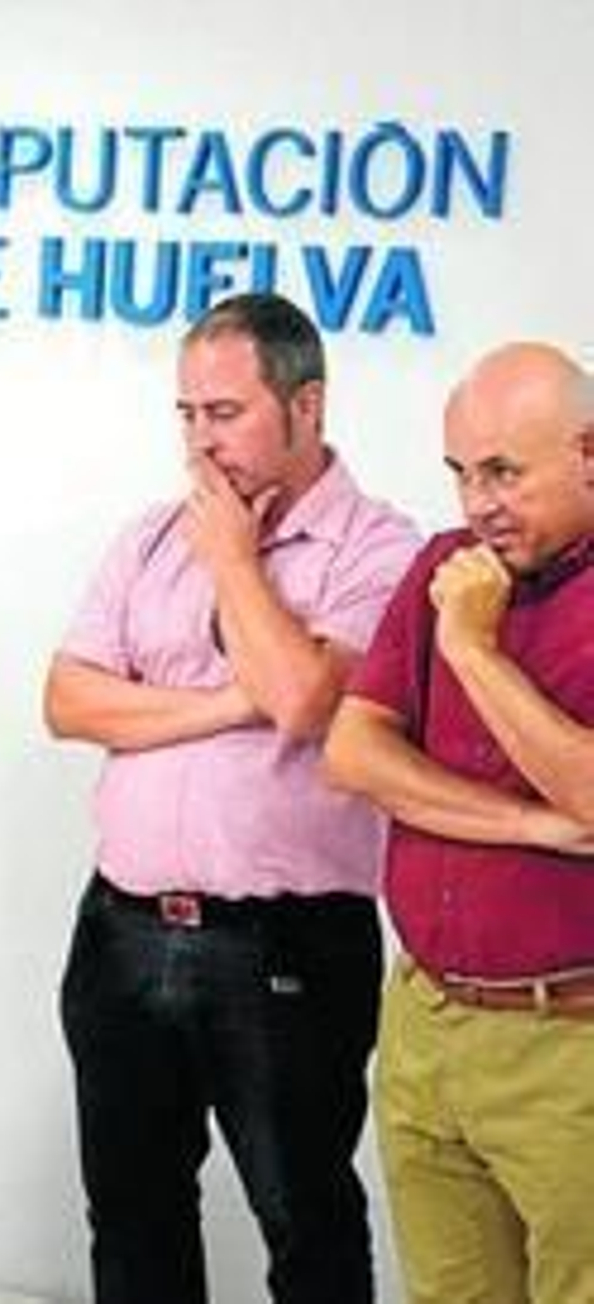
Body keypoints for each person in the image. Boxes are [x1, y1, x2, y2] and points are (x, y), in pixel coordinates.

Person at [43, 292, 419, 1304]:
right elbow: (68, 699)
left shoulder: (380, 547)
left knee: (306, 1221)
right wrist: (225, 703)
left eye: (225, 412)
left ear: (307, 405)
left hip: (284, 949)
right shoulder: (147, 536)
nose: (200, 442)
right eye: (187, 414)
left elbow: (301, 698)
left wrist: (231, 561)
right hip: (120, 933)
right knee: (132, 1221)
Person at [323, 343, 594, 1304]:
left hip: (569, 1042)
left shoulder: (461, 603)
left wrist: (474, 651)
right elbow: (353, 754)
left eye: (504, 472)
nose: (478, 503)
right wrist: (530, 825)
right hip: (426, 1022)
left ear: (589, 452)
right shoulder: (445, 566)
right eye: (461, 473)